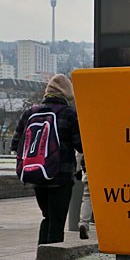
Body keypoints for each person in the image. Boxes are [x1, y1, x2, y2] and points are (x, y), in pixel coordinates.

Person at [11, 74, 81, 245]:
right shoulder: (69, 114)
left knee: (47, 217)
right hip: (61, 175)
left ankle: (42, 254)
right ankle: (52, 259)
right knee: (57, 221)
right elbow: (80, 145)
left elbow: (15, 144)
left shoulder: (30, 113)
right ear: (67, 93)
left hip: (36, 173)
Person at [77, 153, 93, 240]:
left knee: (87, 196)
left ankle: (84, 223)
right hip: (107, 165)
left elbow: (80, 151)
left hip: (89, 164)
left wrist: (77, 168)